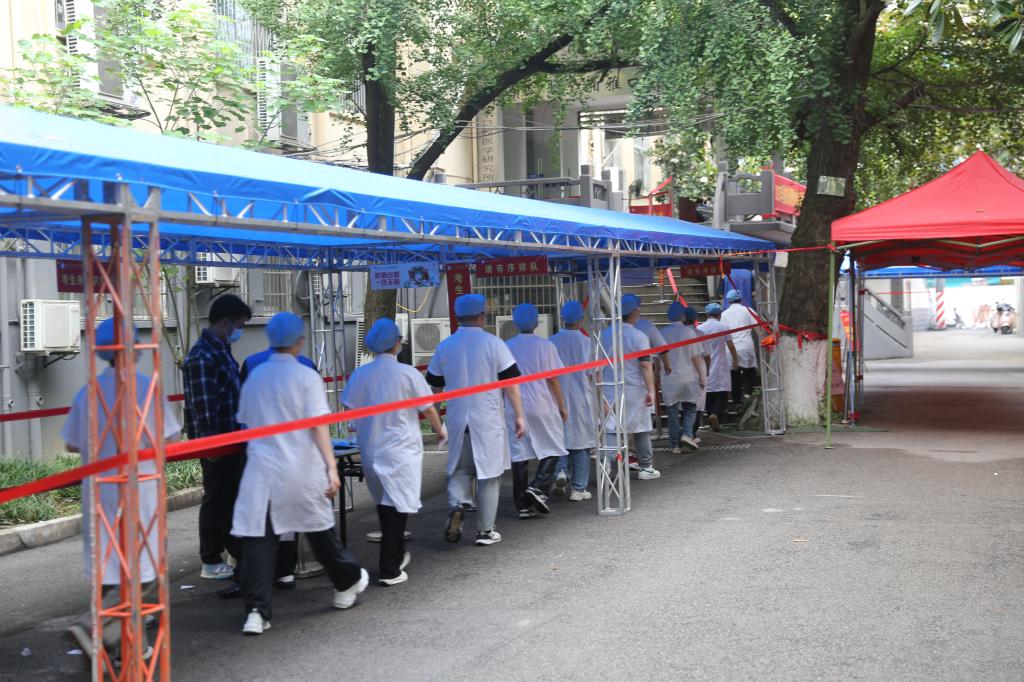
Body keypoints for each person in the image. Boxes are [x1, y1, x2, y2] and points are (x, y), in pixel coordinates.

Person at [232, 312, 367, 635]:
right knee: (319, 534)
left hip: (263, 471)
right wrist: (332, 468)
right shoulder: (306, 376)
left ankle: (256, 612)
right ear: (298, 341)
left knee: (259, 542)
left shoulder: (255, 377)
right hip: (300, 469)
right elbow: (319, 425)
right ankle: (347, 580)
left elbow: (246, 423)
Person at [62, 318, 181, 662]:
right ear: (133, 348)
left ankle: (121, 648)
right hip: (140, 492)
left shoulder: (87, 392)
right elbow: (171, 438)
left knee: (108, 570)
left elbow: (71, 444)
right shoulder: (147, 388)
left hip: (100, 493)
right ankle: (98, 629)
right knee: (146, 572)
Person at [342, 319, 446, 586]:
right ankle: (389, 568)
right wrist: (440, 431)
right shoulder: (407, 373)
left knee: (386, 505)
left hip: (370, 448)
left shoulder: (360, 375)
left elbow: (349, 410)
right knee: (396, 506)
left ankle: (396, 556)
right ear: (396, 342)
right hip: (400, 449)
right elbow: (429, 408)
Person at [217, 343, 320, 599]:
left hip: (260, 451)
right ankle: (284, 571)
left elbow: (243, 408)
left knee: (254, 516)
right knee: (288, 514)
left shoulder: (253, 363)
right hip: (295, 453)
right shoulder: (306, 365)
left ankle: (248, 579)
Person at [426, 293, 526, 547]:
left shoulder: (445, 346)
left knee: (460, 469)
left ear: (458, 317)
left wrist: (436, 420)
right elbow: (511, 385)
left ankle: (458, 504)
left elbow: (434, 387)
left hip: (458, 419)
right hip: (487, 418)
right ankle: (485, 530)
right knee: (489, 475)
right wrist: (519, 415)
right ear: (482, 316)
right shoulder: (494, 344)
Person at [182, 293, 252, 580]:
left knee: (229, 496)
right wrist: (211, 445)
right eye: (239, 325)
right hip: (217, 441)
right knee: (217, 498)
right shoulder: (203, 356)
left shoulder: (222, 349)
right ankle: (210, 558)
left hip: (231, 439)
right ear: (226, 323)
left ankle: (235, 551)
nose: (240, 331)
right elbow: (203, 405)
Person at [504, 303, 569, 519]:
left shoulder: (506, 346)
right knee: (554, 445)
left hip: (514, 406)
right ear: (536, 322)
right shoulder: (546, 346)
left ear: (514, 322)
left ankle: (522, 505)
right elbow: (553, 379)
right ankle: (538, 486)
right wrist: (561, 405)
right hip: (542, 403)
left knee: (520, 454)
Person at [599, 295, 658, 480]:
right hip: (635, 389)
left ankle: (608, 463)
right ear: (635, 313)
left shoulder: (603, 335)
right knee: (641, 428)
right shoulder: (639, 336)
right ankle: (645, 467)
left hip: (609, 388)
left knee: (611, 427)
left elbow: (596, 367)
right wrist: (651, 390)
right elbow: (646, 364)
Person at [549, 300, 597, 501]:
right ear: (581, 318)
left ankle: (561, 471)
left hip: (556, 397)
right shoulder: (587, 343)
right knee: (582, 444)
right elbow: (594, 374)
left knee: (560, 438)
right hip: (582, 397)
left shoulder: (551, 341)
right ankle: (578, 488)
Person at [659, 302, 706, 453]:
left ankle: (675, 445)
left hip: (669, 378)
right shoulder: (689, 333)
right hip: (688, 377)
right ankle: (687, 434)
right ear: (683, 316)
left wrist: (656, 375)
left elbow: (656, 358)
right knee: (690, 408)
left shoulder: (662, 333)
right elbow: (696, 357)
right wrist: (702, 376)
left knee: (672, 412)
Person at [698, 303, 739, 432]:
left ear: (707, 314)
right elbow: (731, 346)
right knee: (721, 393)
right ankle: (716, 415)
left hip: (705, 365)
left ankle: (711, 414)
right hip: (721, 364)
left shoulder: (700, 328)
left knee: (708, 393)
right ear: (719, 314)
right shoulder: (724, 327)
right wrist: (735, 361)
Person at [720, 288, 759, 403]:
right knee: (749, 372)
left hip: (730, 348)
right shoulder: (748, 310)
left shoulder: (724, 314)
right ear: (741, 299)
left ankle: (736, 399)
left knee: (734, 374)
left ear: (729, 301)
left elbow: (721, 333)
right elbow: (758, 326)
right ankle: (747, 395)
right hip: (746, 346)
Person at [684, 307, 710, 442]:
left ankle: (683, 433)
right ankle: (691, 433)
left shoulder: (678, 334)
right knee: (698, 403)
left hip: (682, 372)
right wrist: (707, 370)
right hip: (698, 372)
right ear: (695, 319)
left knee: (684, 404)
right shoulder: (700, 334)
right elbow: (707, 355)